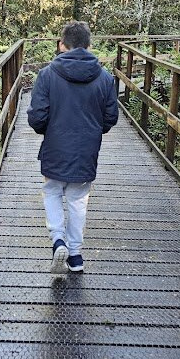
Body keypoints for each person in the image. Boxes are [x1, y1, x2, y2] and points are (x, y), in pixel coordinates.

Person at [27, 21, 119, 274]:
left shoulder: (47, 75)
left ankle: (58, 240)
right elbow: (111, 117)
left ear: (61, 45)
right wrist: (92, 131)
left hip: (55, 144)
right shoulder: (105, 78)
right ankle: (75, 255)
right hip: (87, 148)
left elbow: (37, 117)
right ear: (89, 45)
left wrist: (49, 130)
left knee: (52, 191)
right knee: (78, 200)